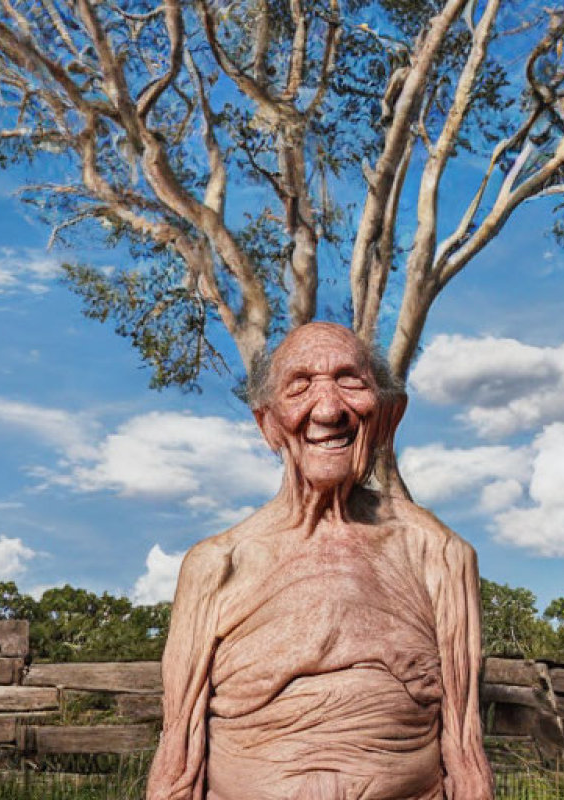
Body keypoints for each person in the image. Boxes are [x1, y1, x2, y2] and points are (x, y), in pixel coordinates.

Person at [146, 322, 494, 800]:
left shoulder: (438, 555)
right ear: (268, 424)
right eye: (300, 386)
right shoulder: (215, 567)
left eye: (351, 381)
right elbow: (178, 763)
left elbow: (466, 755)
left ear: (389, 416)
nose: (329, 410)